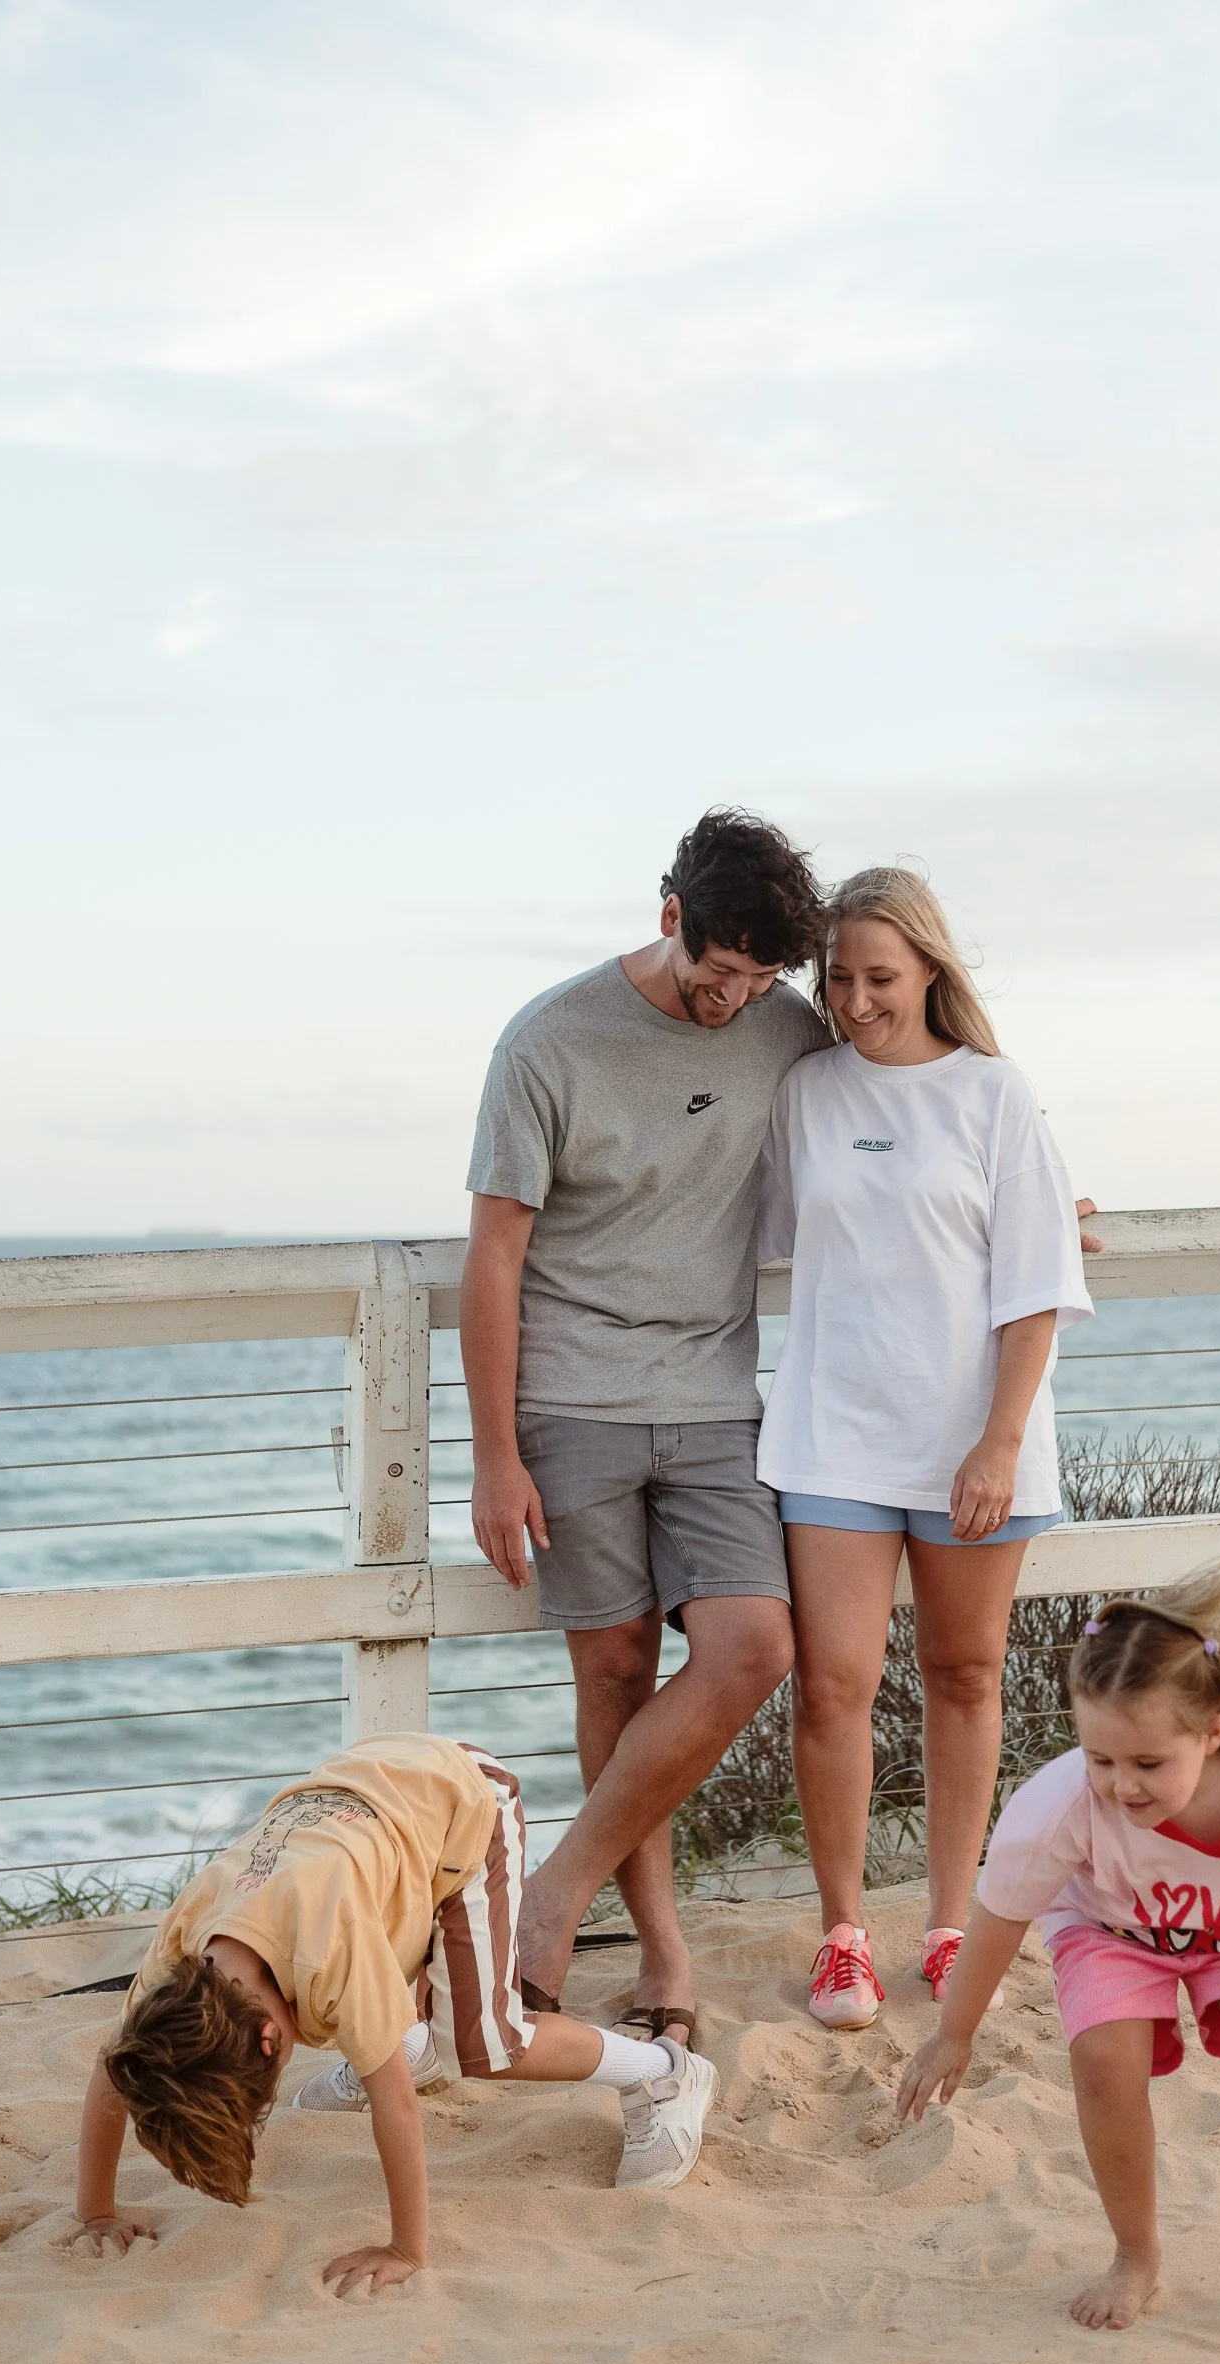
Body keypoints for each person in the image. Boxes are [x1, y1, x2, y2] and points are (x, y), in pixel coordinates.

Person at [460, 809, 831, 2046]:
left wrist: (1037, 1192)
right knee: (614, 1670)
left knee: (751, 1649)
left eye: (760, 977)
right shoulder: (548, 1040)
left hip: (717, 1401)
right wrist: (495, 1454)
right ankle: (663, 1955)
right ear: (668, 915)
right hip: (567, 1403)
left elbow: (913, 1105)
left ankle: (549, 1894)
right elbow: (493, 1254)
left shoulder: (789, 1027)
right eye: (718, 969)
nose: (735, 998)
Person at [896, 1525, 1220, 2346]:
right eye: (1099, 1758)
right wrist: (953, 2035)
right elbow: (997, 1919)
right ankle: (1135, 2255)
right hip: (1108, 1930)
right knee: (1102, 2055)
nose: (1119, 1785)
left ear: (1211, 1735)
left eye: (1147, 1763)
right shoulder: (1057, 1807)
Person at [755, 867, 1093, 2029]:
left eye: (879, 977)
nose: (854, 1000)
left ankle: (952, 1925)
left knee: (962, 1674)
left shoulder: (995, 1095)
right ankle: (842, 1934)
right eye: (837, 977)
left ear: (932, 972)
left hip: (970, 1441)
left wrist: (997, 1441)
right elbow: (744, 1221)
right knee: (831, 1684)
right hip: (832, 1434)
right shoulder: (802, 1091)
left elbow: (1036, 1282)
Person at [72, 1734, 718, 2296]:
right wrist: (96, 2210)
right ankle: (408, 2037)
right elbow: (116, 2068)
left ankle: (661, 2072)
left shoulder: (330, 1948)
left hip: (466, 1809)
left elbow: (397, 2107)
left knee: (487, 2046)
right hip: (376, 1790)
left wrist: (405, 2248)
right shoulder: (186, 1944)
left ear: (270, 2040)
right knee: (399, 2021)